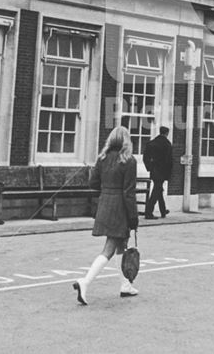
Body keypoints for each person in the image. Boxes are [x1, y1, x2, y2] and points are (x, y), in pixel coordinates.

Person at [73, 126, 139, 305]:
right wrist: (134, 218)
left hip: (105, 204)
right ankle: (85, 282)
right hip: (120, 208)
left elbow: (93, 182)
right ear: (126, 141)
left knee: (121, 245)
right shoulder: (129, 161)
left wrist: (107, 190)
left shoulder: (102, 159)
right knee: (110, 248)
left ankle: (125, 285)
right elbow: (129, 193)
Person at [142, 126, 173, 220]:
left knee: (158, 190)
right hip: (162, 172)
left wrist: (149, 168)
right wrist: (168, 174)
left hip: (154, 171)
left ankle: (163, 211)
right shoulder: (167, 144)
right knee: (156, 191)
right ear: (167, 133)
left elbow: (145, 158)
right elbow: (169, 161)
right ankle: (148, 212)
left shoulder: (151, 143)